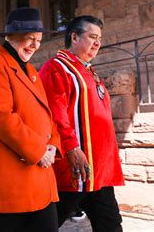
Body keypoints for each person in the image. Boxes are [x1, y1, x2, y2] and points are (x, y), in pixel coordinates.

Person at [0, 7, 61, 232]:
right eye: (30, 38)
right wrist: (39, 151)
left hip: (38, 176)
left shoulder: (31, 71)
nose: (35, 45)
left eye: (38, 40)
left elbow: (47, 116)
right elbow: (1, 117)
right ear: (10, 36)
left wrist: (53, 145)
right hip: (7, 183)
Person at [39, 15, 125, 231]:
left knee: (111, 226)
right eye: (92, 37)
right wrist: (71, 147)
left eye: (100, 38)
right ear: (74, 37)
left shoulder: (88, 71)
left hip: (99, 173)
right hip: (73, 171)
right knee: (44, 226)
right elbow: (55, 115)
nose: (98, 43)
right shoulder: (56, 68)